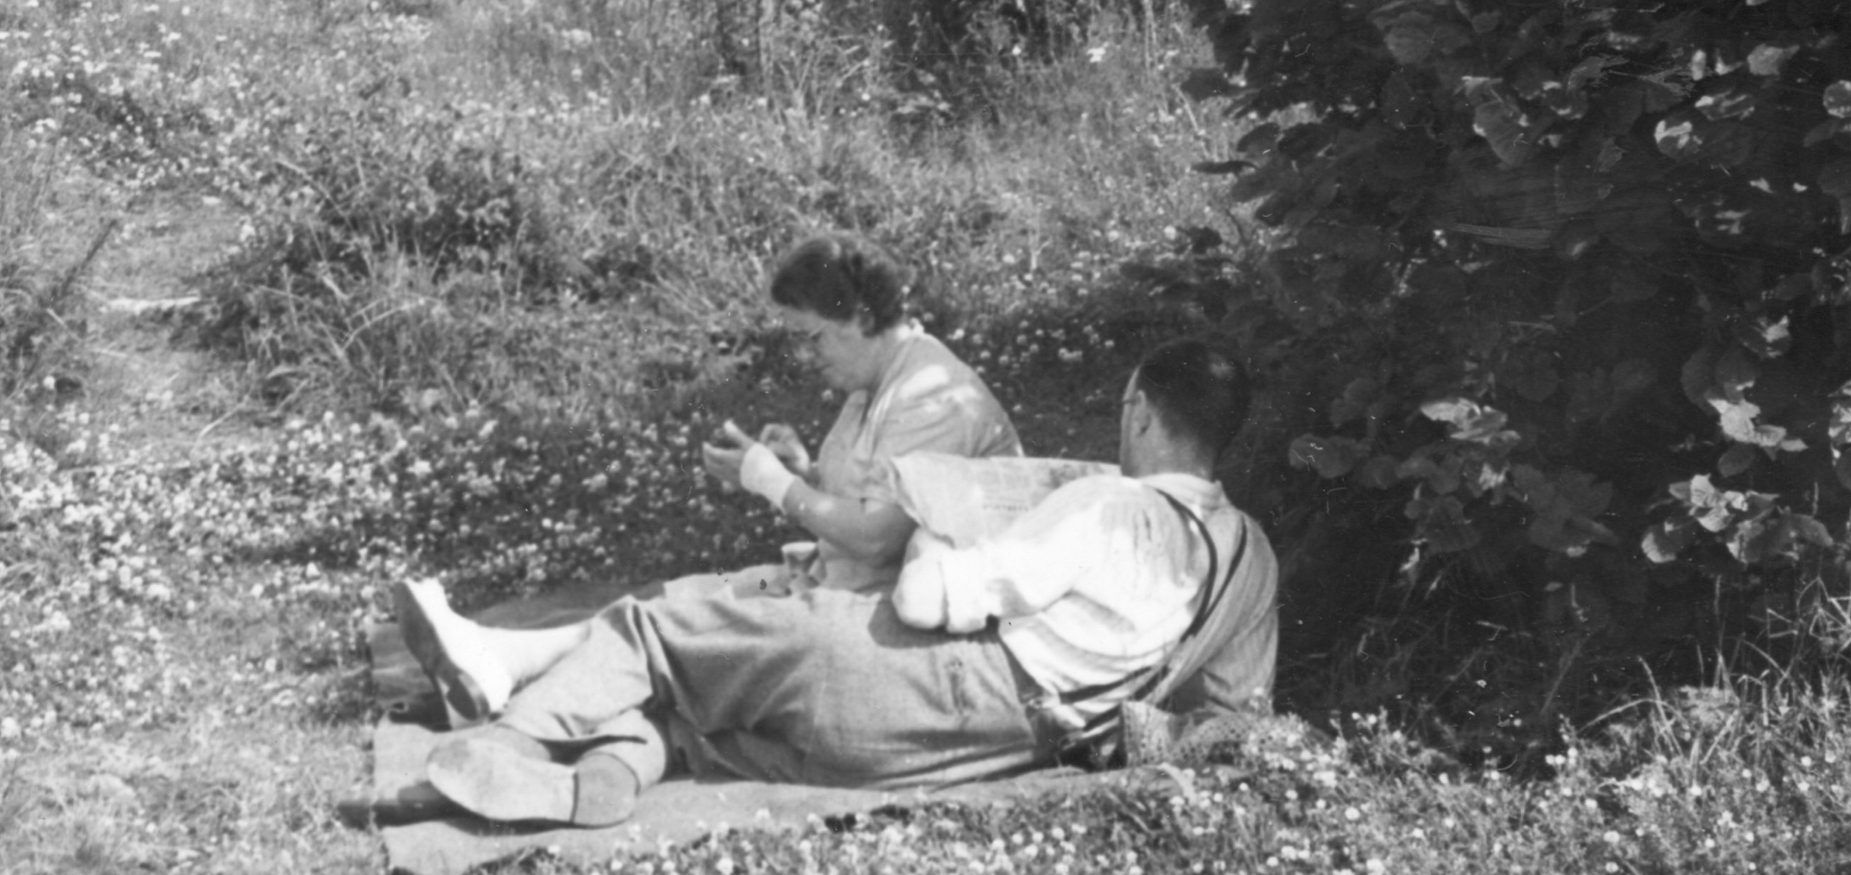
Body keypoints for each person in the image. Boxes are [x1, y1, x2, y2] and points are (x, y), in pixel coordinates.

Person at [417, 339, 1276, 830]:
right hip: (978, 751)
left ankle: (514, 744)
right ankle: (604, 776)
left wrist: (942, 518)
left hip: (913, 680)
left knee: (657, 626)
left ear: (1139, 412)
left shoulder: (1107, 507)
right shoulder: (1251, 556)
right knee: (688, 720)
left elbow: (922, 601)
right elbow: (1237, 711)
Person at [393, 233, 1018, 723]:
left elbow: (878, 537)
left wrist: (774, 483)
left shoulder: (935, 396)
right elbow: (871, 497)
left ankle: (506, 670)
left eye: (813, 337)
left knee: (695, 626)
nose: (807, 357)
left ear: (857, 316)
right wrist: (805, 471)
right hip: (850, 585)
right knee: (685, 597)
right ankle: (501, 661)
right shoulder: (876, 385)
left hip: (912, 630)